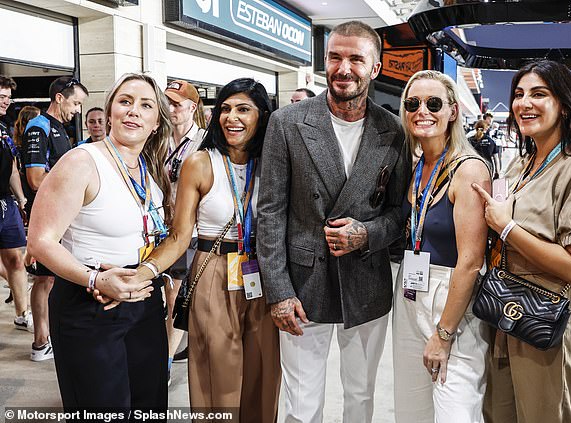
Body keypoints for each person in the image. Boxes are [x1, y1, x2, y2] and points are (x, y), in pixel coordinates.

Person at [257, 21, 410, 423]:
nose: (344, 68)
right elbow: (270, 211)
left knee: (360, 396)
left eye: (356, 58)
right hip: (303, 286)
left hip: (367, 284)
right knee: (301, 402)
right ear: (324, 62)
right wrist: (278, 291)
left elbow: (400, 214)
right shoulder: (287, 123)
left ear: (375, 68)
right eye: (335, 57)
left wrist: (367, 233)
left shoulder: (393, 131)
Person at [472, 60, 571, 423]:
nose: (524, 103)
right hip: (508, 313)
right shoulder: (520, 165)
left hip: (555, 324)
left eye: (539, 94)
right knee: (499, 413)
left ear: (565, 105)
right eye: (519, 94)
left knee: (548, 415)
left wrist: (507, 229)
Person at [126, 77, 280, 421]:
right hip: (213, 271)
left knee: (264, 372)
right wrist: (143, 273)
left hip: (264, 276)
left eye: (243, 109)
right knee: (219, 374)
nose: (231, 117)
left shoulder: (273, 163)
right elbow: (180, 236)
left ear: (262, 116)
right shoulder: (200, 162)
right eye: (225, 109)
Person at [27, 72, 171, 412]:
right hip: (90, 301)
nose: (134, 111)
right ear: (109, 114)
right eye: (125, 102)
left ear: (155, 123)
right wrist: (94, 279)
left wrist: (146, 274)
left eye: (145, 105)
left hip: (143, 299)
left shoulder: (149, 170)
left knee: (149, 407)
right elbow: (40, 241)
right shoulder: (82, 162)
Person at [392, 70, 490, 423]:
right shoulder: (416, 166)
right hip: (409, 290)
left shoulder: (469, 170)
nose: (422, 111)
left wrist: (444, 334)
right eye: (413, 103)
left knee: (454, 409)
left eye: (434, 103)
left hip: (451, 298)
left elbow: (470, 262)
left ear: (452, 112)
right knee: (411, 409)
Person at [22, 76, 87, 362]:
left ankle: (51, 336)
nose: (77, 110)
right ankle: (40, 342)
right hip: (47, 216)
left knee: (53, 279)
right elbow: (36, 179)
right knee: (44, 280)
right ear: (59, 98)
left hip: (61, 215)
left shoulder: (62, 128)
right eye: (75, 102)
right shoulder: (39, 125)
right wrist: (74, 186)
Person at [163, 79, 206, 372]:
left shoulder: (204, 141)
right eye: (167, 103)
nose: (171, 109)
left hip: (188, 229)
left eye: (177, 104)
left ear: (192, 107)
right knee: (160, 293)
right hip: (156, 227)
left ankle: (163, 360)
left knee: (175, 293)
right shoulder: (157, 138)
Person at [0, 76, 31, 332]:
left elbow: (11, 168)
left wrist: (21, 199)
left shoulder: (4, 127)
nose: (5, 102)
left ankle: (23, 314)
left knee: (16, 260)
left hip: (6, 204)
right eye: (1, 96)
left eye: (8, 98)